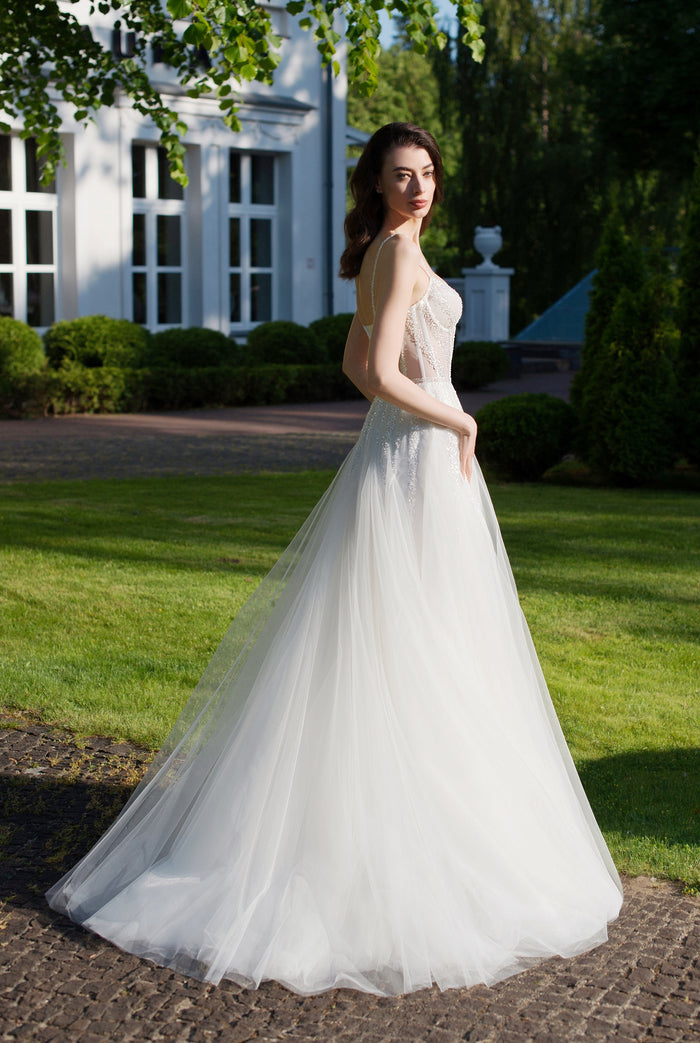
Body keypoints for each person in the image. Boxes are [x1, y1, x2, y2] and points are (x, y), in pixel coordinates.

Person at [47, 123, 622, 997]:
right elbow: (383, 367)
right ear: (378, 185)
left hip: (410, 453)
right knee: (414, 636)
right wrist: (454, 417)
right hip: (422, 452)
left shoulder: (392, 251)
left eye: (427, 173)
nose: (419, 187)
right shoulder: (393, 251)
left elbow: (355, 358)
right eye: (402, 175)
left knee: (421, 636)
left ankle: (413, 817)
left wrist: (420, 415)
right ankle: (394, 836)